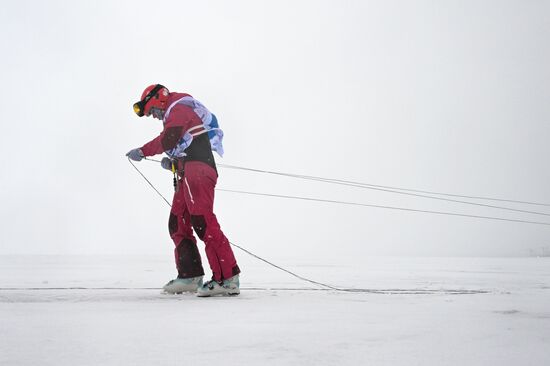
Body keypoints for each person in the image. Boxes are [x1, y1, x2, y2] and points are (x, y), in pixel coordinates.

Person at [127, 84, 240, 297]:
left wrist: (143, 151)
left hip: (199, 170)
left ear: (157, 98)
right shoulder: (174, 115)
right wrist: (172, 164)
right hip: (188, 171)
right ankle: (190, 276)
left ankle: (227, 278)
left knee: (202, 221)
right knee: (178, 222)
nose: (153, 116)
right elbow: (182, 144)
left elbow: (169, 139)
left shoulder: (179, 108)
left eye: (151, 111)